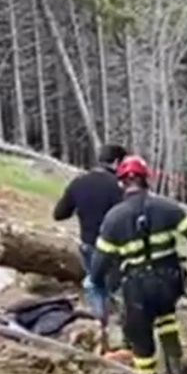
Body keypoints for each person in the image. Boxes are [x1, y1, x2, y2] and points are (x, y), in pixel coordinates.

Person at [90, 155, 187, 374]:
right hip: (169, 282)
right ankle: (176, 370)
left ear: (122, 183)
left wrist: (96, 282)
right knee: (166, 317)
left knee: (141, 338)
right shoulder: (167, 208)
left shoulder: (114, 218)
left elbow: (99, 264)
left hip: (137, 287)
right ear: (148, 180)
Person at [53, 143, 126, 337]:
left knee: (95, 285)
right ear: (117, 162)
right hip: (114, 248)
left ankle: (99, 328)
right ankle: (125, 332)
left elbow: (59, 214)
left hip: (89, 245)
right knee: (119, 290)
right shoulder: (118, 187)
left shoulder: (79, 182)